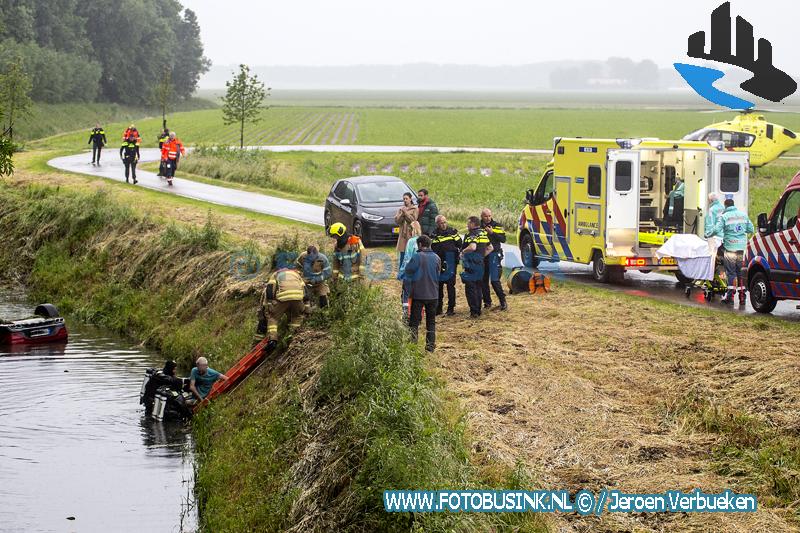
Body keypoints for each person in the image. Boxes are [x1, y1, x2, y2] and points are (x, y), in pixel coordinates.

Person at [256, 260, 308, 346]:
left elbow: (270, 288)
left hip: (283, 298)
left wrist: (270, 303)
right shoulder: (296, 274)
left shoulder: (276, 274)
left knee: (273, 318)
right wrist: (307, 305)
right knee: (297, 317)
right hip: (298, 298)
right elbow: (305, 290)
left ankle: (272, 340)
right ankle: (292, 335)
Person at [713, 198, 754, 305]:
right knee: (741, 273)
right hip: (741, 250)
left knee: (731, 273)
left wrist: (709, 233)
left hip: (730, 249)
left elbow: (717, 230)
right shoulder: (743, 215)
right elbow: (751, 229)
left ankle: (730, 297)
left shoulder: (724, 217)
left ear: (726, 206)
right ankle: (742, 298)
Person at [404, 235, 441, 352]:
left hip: (418, 295)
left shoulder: (416, 257)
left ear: (420, 245)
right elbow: (438, 274)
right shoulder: (437, 258)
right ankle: (430, 347)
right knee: (431, 322)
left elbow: (407, 274)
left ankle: (412, 346)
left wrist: (406, 293)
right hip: (433, 295)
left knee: (414, 322)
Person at [461, 216, 492, 318]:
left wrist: (462, 252)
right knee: (478, 287)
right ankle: (478, 310)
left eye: (468, 223)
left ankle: (474, 312)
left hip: (471, 264)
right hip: (480, 264)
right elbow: (490, 248)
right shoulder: (483, 233)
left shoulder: (472, 234)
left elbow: (472, 247)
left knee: (470, 288)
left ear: (472, 224)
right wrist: (481, 256)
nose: (467, 225)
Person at [431, 215, 462, 316]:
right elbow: (433, 248)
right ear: (437, 224)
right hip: (439, 263)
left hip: (451, 262)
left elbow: (459, 243)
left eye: (445, 222)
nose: (444, 225)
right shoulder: (434, 234)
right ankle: (438, 308)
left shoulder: (452, 232)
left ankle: (451, 308)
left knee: (450, 286)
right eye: (441, 223)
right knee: (439, 286)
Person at [480, 208, 508, 311]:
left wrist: (492, 233)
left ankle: (503, 302)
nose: (488, 218)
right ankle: (487, 302)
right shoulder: (479, 227)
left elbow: (503, 239)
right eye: (485, 216)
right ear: (481, 217)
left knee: (495, 280)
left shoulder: (497, 226)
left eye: (489, 216)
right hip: (483, 256)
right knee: (483, 280)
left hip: (494, 255)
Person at [398, 221, 423, 318]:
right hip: (421, 272)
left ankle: (406, 314)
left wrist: (401, 272)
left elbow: (407, 258)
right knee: (418, 294)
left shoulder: (411, 241)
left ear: (412, 230)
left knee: (406, 293)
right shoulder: (424, 240)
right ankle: (419, 314)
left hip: (410, 272)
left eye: (409, 230)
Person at [395, 192, 418, 267]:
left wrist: (406, 213)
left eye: (406, 199)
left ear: (410, 199)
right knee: (402, 254)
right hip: (402, 234)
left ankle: (410, 269)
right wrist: (402, 213)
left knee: (410, 253)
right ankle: (401, 270)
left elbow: (413, 220)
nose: (405, 200)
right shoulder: (401, 209)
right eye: (404, 199)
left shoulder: (415, 209)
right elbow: (397, 221)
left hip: (410, 233)